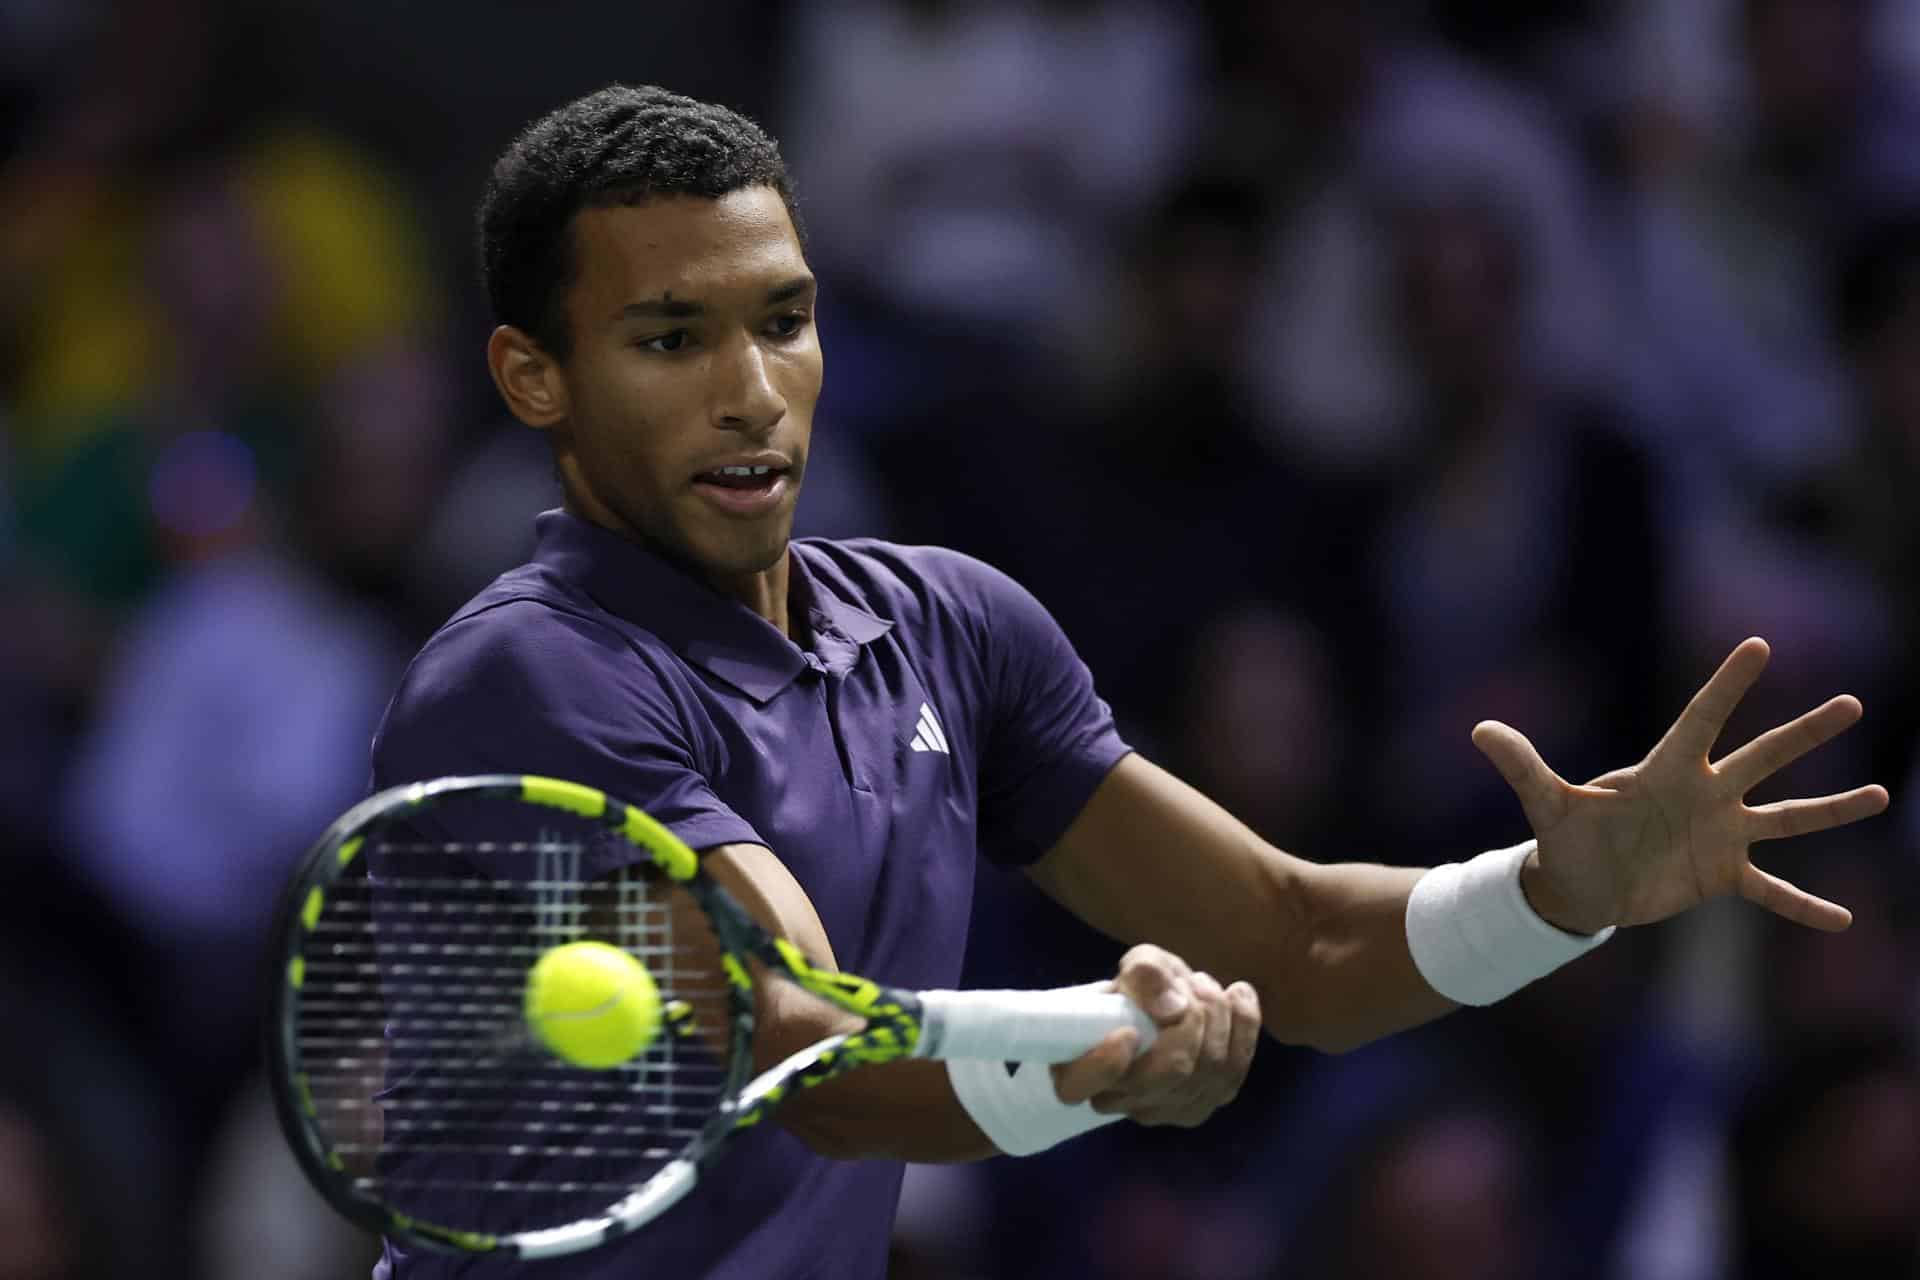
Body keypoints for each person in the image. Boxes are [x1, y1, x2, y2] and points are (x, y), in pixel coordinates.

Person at [369, 85, 1891, 1279]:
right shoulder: (521, 680)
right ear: (533, 378)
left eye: (783, 320)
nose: (752, 391)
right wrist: (1093, 1055)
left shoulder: (951, 629)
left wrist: (1551, 898)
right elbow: (802, 1042)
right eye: (669, 340)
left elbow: (1295, 941)